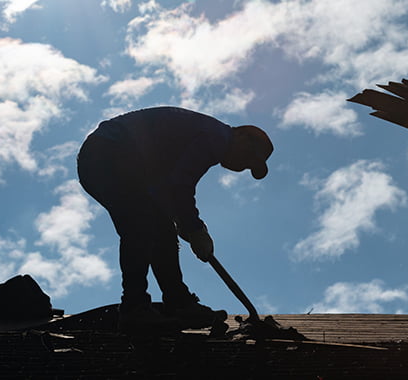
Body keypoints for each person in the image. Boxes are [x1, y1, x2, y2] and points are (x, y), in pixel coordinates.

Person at [77, 106, 274, 332]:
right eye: (248, 158)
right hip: (109, 152)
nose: (243, 166)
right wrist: (195, 228)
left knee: (161, 228)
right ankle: (134, 308)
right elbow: (181, 185)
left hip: (107, 157)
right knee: (139, 225)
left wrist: (181, 220)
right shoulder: (216, 137)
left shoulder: (206, 134)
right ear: (241, 135)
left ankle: (178, 302)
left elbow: (166, 184)